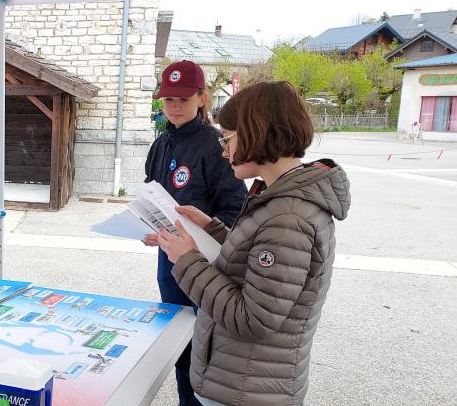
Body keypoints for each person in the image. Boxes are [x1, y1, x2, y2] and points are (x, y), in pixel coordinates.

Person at [157, 81, 351, 405]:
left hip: (247, 391)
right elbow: (249, 262)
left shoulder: (288, 219)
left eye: (227, 139)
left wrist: (187, 260)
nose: (223, 150)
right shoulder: (278, 198)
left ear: (255, 133)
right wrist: (212, 229)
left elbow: (253, 319)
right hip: (241, 382)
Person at [142, 60, 248, 406]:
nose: (174, 106)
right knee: (177, 344)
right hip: (169, 262)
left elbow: (235, 211)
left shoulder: (217, 146)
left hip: (206, 265)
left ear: (202, 98)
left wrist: (201, 235)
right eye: (168, 99)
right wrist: (146, 225)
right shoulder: (160, 143)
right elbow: (151, 194)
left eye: (183, 99)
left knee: (203, 348)